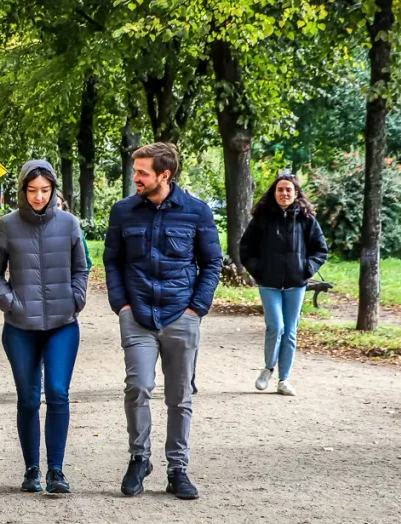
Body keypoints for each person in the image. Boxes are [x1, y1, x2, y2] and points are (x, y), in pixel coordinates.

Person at [103, 142, 222, 500]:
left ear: (164, 175)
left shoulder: (196, 212)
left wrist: (196, 308)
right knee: (138, 386)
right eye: (135, 171)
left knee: (179, 396)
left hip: (181, 315)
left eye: (142, 172)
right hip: (137, 315)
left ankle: (177, 468)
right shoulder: (123, 212)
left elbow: (212, 263)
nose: (135, 177)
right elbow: (112, 261)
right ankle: (139, 458)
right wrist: (121, 305)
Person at [0, 160, 88, 494]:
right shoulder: (7, 226)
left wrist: (76, 299)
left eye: (44, 190)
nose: (39, 197)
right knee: (28, 398)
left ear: (54, 190)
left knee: (58, 392)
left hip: (62, 323)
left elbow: (81, 269)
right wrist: (9, 302)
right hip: (20, 325)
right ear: (22, 191)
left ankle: (56, 470)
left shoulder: (70, 224)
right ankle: (32, 469)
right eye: (32, 191)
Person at [240, 173, 328, 397]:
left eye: (289, 190)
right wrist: (258, 269)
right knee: (275, 327)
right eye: (280, 189)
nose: (284, 193)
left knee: (290, 332)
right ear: (274, 193)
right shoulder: (262, 218)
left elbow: (320, 250)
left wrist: (305, 269)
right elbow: (246, 249)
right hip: (268, 283)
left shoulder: (306, 219)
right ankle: (268, 368)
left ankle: (284, 379)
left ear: (296, 193)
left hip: (295, 284)